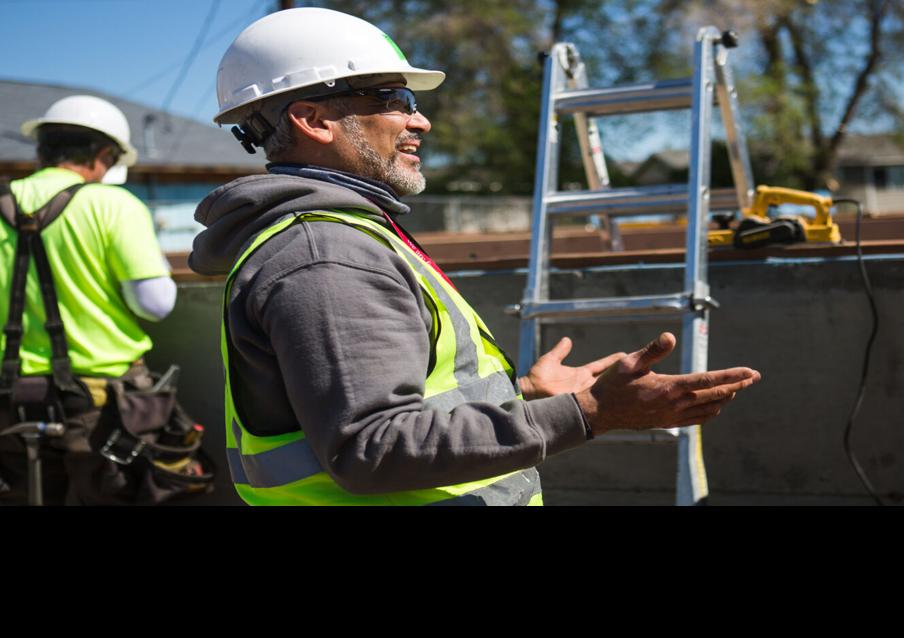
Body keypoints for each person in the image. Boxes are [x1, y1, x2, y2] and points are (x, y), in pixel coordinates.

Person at [190, 7, 760, 505]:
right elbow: (375, 447)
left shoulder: (338, 238)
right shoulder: (327, 256)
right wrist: (590, 411)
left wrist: (523, 394)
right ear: (313, 120)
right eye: (393, 99)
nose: (420, 119)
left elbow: (401, 407)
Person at [1, 94, 181, 505]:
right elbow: (155, 304)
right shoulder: (113, 205)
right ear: (104, 154)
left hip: (8, 402)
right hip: (98, 406)